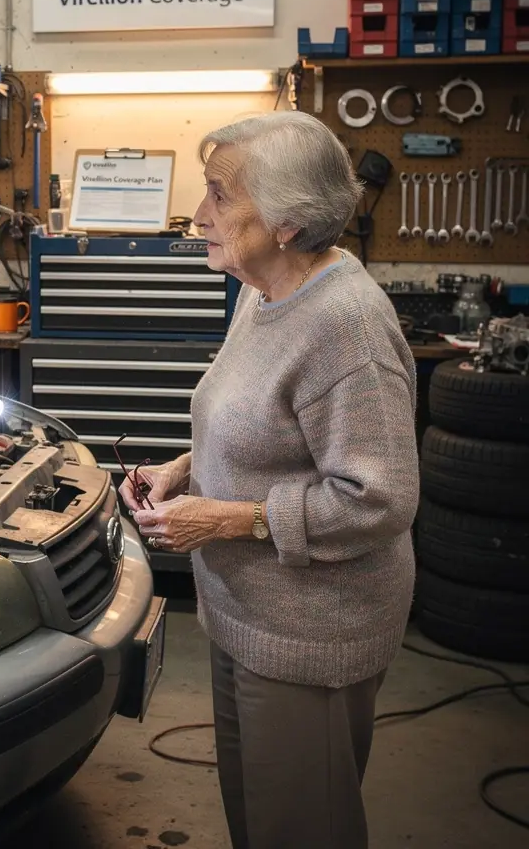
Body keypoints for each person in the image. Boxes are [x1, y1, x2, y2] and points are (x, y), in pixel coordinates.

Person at [120, 111, 419, 849]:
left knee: (300, 829)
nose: (197, 216)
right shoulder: (264, 292)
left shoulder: (345, 328)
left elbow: (376, 498)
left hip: (310, 633)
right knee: (257, 819)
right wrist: (182, 470)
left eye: (220, 195)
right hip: (242, 613)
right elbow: (254, 423)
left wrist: (221, 520)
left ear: (286, 222)